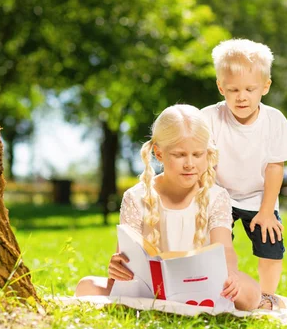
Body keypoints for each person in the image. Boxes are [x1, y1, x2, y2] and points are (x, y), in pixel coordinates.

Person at [75, 104, 261, 311]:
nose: (190, 164)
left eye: (198, 154)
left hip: (203, 286)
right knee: (86, 286)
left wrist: (231, 275)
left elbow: (224, 248)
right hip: (149, 289)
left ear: (207, 153)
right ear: (159, 153)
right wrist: (116, 267)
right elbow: (125, 258)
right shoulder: (135, 197)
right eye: (180, 155)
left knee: (251, 292)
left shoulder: (216, 197)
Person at [200, 38, 287, 310]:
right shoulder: (208, 118)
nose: (242, 96)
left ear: (265, 86)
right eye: (233, 89)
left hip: (259, 198)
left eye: (250, 89)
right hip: (219, 196)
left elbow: (275, 167)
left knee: (271, 245)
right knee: (213, 246)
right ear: (221, 87)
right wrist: (206, 200)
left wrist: (266, 211)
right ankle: (217, 288)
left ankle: (266, 295)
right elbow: (203, 163)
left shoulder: (275, 120)